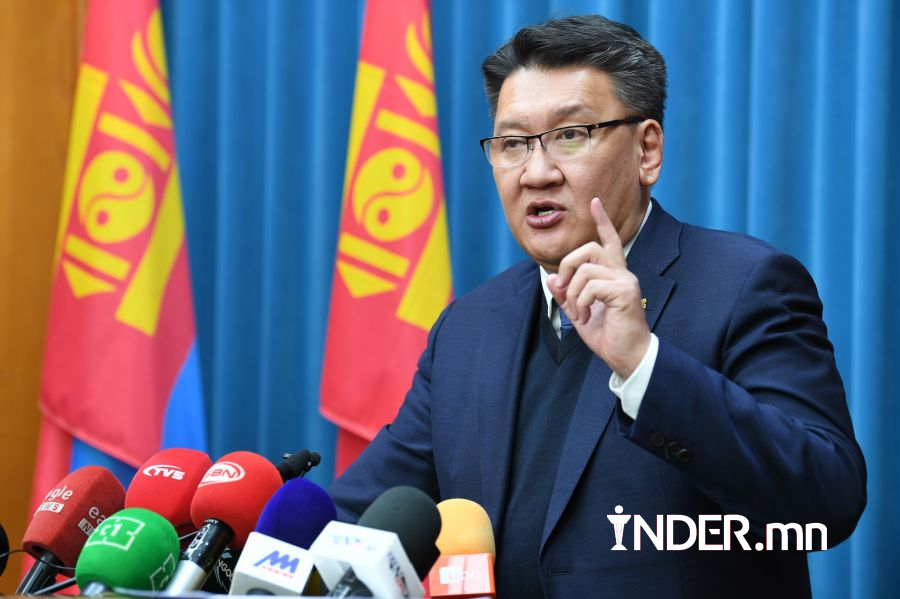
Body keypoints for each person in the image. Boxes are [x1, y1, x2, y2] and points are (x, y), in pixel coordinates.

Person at [328, 14, 866, 598]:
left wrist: (643, 365)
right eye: (513, 144)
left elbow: (825, 500)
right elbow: (361, 518)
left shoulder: (743, 285)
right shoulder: (468, 327)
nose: (536, 173)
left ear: (647, 151)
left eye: (570, 134)